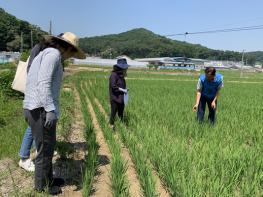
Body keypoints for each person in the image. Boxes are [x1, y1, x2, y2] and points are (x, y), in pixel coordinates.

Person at [23, 32, 85, 195]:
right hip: (41, 109)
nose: (70, 58)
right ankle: (42, 186)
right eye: (72, 54)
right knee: (45, 150)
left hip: (36, 107)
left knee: (47, 147)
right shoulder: (54, 55)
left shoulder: (47, 53)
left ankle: (48, 179)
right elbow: (43, 83)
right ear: (68, 49)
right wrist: (50, 109)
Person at [19, 43, 43, 172]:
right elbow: (33, 72)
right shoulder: (40, 49)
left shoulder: (43, 49)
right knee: (32, 125)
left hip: (36, 93)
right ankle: (24, 158)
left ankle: (37, 149)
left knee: (36, 125)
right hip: (35, 94)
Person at [109, 58, 129, 130]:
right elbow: (113, 87)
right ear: (120, 68)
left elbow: (122, 86)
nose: (126, 69)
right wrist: (123, 90)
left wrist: (125, 90)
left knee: (121, 114)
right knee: (113, 114)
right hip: (115, 98)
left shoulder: (122, 76)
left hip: (121, 98)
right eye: (125, 68)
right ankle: (111, 127)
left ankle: (121, 128)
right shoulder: (113, 75)